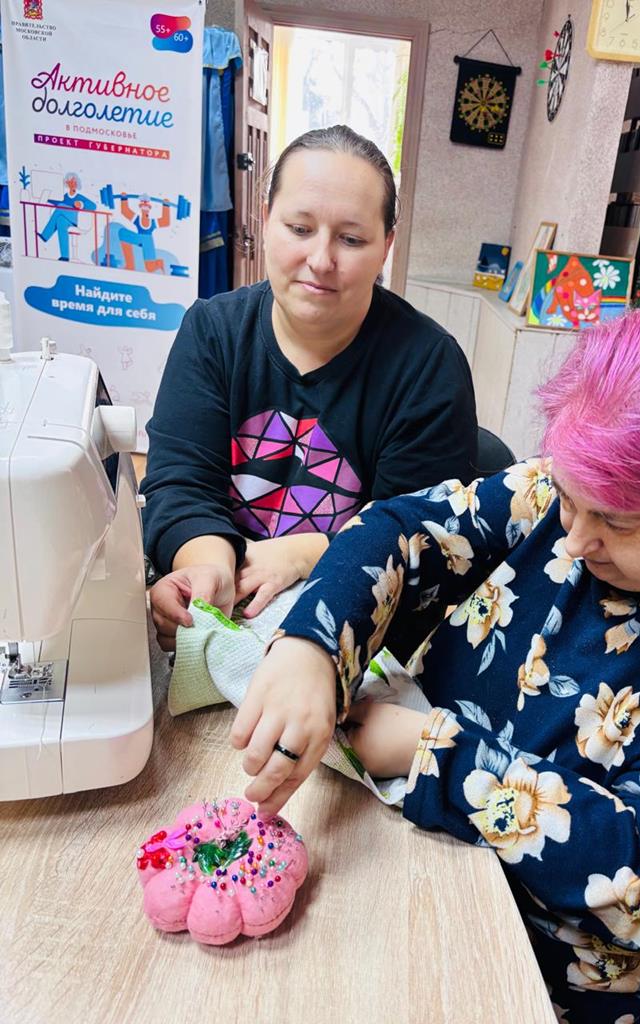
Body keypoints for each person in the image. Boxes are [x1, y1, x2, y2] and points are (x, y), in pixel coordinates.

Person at [231, 304, 640, 1023]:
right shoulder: (564, 497)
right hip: (421, 858)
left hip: (555, 980)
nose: (573, 541)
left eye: (618, 522)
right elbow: (404, 530)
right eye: (571, 501)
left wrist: (437, 755)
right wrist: (313, 645)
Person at [142, 125, 477, 654]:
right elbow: (179, 484)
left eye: (351, 239)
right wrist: (207, 567)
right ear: (265, 220)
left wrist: (304, 554)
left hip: (359, 630)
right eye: (299, 228)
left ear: (386, 246)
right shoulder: (213, 333)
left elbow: (425, 538)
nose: (321, 260)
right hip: (230, 605)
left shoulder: (428, 367)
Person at [37, 171, 96, 261]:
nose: (73, 183)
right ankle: (65, 256)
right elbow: (56, 201)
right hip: (64, 219)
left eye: (74, 181)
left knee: (61, 207)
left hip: (73, 220)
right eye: (71, 182)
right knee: (60, 221)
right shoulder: (64, 196)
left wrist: (81, 204)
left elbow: (93, 206)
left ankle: (45, 235)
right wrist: (47, 198)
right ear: (67, 183)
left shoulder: (79, 197)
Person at [118, 192, 171, 273]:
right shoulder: (137, 219)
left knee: (150, 268)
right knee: (123, 233)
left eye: (147, 207)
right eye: (143, 206)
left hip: (147, 241)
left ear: (149, 209)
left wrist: (165, 206)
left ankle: (159, 263)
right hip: (139, 238)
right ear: (140, 208)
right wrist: (124, 199)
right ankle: (130, 265)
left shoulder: (152, 223)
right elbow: (125, 211)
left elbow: (165, 221)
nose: (145, 208)